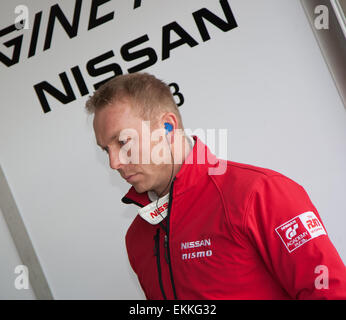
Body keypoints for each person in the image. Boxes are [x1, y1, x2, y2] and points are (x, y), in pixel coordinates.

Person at [86, 72, 346, 299]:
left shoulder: (259, 194)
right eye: (105, 149)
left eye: (123, 141)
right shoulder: (138, 237)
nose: (114, 162)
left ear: (167, 127)